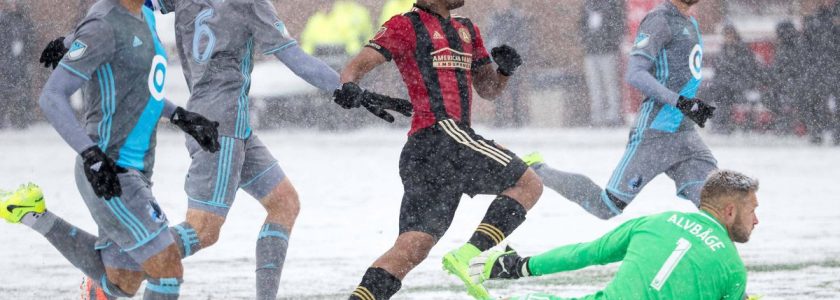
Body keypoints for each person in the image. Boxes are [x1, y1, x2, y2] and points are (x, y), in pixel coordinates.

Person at [2, 0, 220, 298]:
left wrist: (182, 118)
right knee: (166, 267)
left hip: (139, 169)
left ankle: (35, 215)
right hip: (111, 171)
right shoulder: (104, 24)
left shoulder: (144, 16)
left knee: (124, 279)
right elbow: (51, 96)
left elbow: (142, 91)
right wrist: (91, 156)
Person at [335, 1, 543, 299]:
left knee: (413, 246)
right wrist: (349, 85)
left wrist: (505, 72)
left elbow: (488, 89)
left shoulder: (467, 29)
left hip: (431, 151)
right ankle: (470, 255)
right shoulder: (405, 25)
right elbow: (356, 65)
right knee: (528, 183)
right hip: (440, 136)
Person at [524, 0, 716, 220]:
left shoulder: (690, 21)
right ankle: (537, 170)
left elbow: (680, 76)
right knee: (607, 207)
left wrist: (693, 105)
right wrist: (680, 102)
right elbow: (635, 74)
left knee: (717, 204)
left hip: (686, 134)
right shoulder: (659, 20)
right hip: (655, 133)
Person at [470, 170, 759, 300]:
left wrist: (520, 267)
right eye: (752, 211)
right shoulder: (732, 269)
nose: (756, 220)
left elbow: (586, 253)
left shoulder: (655, 222)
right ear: (730, 211)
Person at [707, 24, 762, 134]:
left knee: (723, 96)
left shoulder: (743, 51)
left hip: (740, 86)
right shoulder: (723, 50)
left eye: (729, 35)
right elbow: (718, 71)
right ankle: (719, 125)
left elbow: (748, 71)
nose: (727, 38)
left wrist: (731, 80)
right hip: (725, 85)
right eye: (725, 35)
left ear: (734, 35)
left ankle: (722, 125)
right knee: (715, 93)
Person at [486, 0, 532, 127]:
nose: (500, 4)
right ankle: (499, 118)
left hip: (511, 58)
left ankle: (517, 118)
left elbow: (523, 38)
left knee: (514, 88)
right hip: (496, 59)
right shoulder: (493, 19)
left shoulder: (516, 18)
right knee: (497, 87)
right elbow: (488, 37)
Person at [580, 0, 626, 127]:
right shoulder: (587, 6)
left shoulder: (613, 5)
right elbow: (581, 25)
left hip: (608, 51)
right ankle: (597, 116)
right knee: (594, 85)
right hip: (591, 52)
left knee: (610, 84)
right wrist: (586, 42)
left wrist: (610, 42)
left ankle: (613, 116)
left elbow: (618, 26)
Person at [802, 0, 840, 145]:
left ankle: (836, 134)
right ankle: (817, 132)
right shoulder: (814, 19)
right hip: (819, 68)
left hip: (834, 67)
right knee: (817, 102)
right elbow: (807, 45)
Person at [0, 1, 36, 129]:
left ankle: (20, 120)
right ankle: (16, 119)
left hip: (18, 64)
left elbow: (28, 40)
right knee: (8, 92)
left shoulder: (22, 22)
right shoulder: (6, 21)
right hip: (9, 63)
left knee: (19, 91)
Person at [767, 21, 806, 135]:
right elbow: (777, 68)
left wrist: (779, 78)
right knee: (772, 96)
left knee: (782, 97)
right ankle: (782, 124)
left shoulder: (795, 47)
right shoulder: (783, 47)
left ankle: (784, 125)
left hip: (794, 82)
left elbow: (794, 68)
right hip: (784, 82)